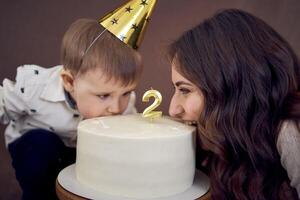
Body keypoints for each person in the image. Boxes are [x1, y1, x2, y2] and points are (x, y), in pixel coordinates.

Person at [0, 18, 142, 200]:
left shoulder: (123, 102)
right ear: (70, 82)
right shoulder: (35, 87)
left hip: (82, 154)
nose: (116, 108)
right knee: (40, 147)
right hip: (37, 149)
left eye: (126, 93)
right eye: (103, 96)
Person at [168, 9, 300, 199]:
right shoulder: (238, 141)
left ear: (230, 87)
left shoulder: (290, 131)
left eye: (185, 90)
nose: (173, 109)